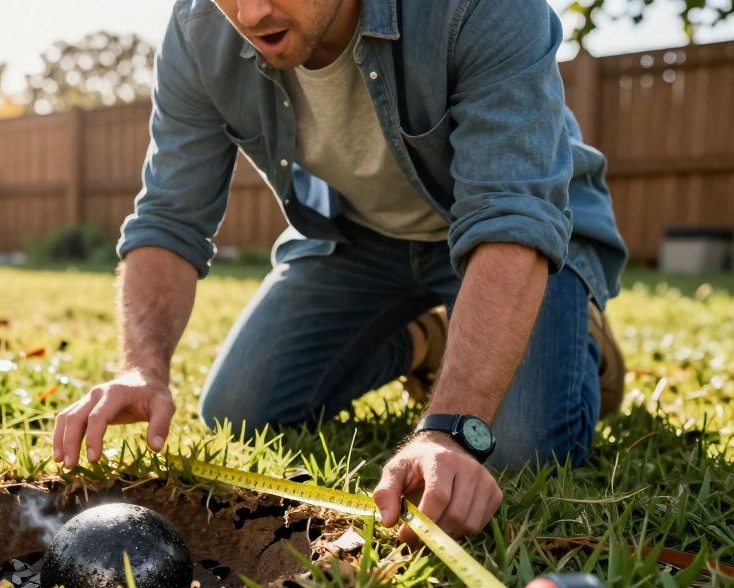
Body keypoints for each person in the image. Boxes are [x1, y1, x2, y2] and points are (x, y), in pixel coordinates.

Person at [51, 0, 627, 542]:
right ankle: (427, 341)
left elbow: (511, 214)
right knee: (241, 409)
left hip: (514, 234)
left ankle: (579, 339)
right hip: (360, 236)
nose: (251, 14)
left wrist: (452, 428)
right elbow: (170, 216)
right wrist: (141, 368)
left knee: (514, 449)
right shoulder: (200, 29)